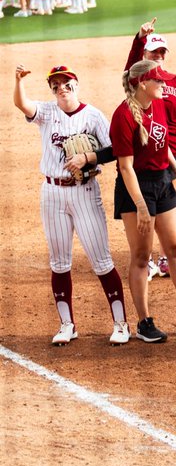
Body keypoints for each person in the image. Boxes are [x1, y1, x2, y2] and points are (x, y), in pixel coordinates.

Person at [14, 64, 130, 344]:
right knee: (59, 262)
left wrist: (88, 157)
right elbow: (22, 104)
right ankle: (67, 325)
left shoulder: (93, 116)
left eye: (66, 83)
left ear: (76, 85)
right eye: (56, 85)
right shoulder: (48, 112)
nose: (61, 88)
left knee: (101, 261)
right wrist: (18, 81)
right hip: (52, 193)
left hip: (84, 192)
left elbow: (115, 149)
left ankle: (121, 324)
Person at [111, 60, 176, 343]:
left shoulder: (157, 103)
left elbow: (162, 140)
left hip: (163, 182)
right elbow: (126, 167)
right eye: (158, 81)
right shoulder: (123, 116)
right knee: (142, 257)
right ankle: (144, 322)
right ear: (143, 83)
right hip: (136, 189)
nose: (164, 85)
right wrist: (141, 207)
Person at [125, 17, 176, 278]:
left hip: (174, 150)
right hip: (147, 148)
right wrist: (138, 39)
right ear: (144, 54)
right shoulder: (140, 80)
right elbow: (128, 72)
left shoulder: (175, 81)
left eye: (161, 52)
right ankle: (146, 258)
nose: (157, 55)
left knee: (168, 203)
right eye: (152, 51)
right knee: (148, 199)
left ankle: (165, 256)